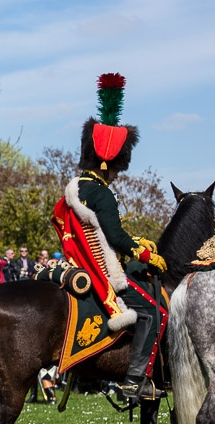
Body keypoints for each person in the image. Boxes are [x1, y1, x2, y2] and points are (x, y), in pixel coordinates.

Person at [52, 72, 167, 405]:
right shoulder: (102, 193)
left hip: (81, 263)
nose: (118, 174)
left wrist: (138, 241)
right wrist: (146, 256)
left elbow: (100, 235)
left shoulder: (76, 189)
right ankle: (134, 382)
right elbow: (114, 237)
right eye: (116, 168)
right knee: (154, 314)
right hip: (104, 274)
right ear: (106, 162)